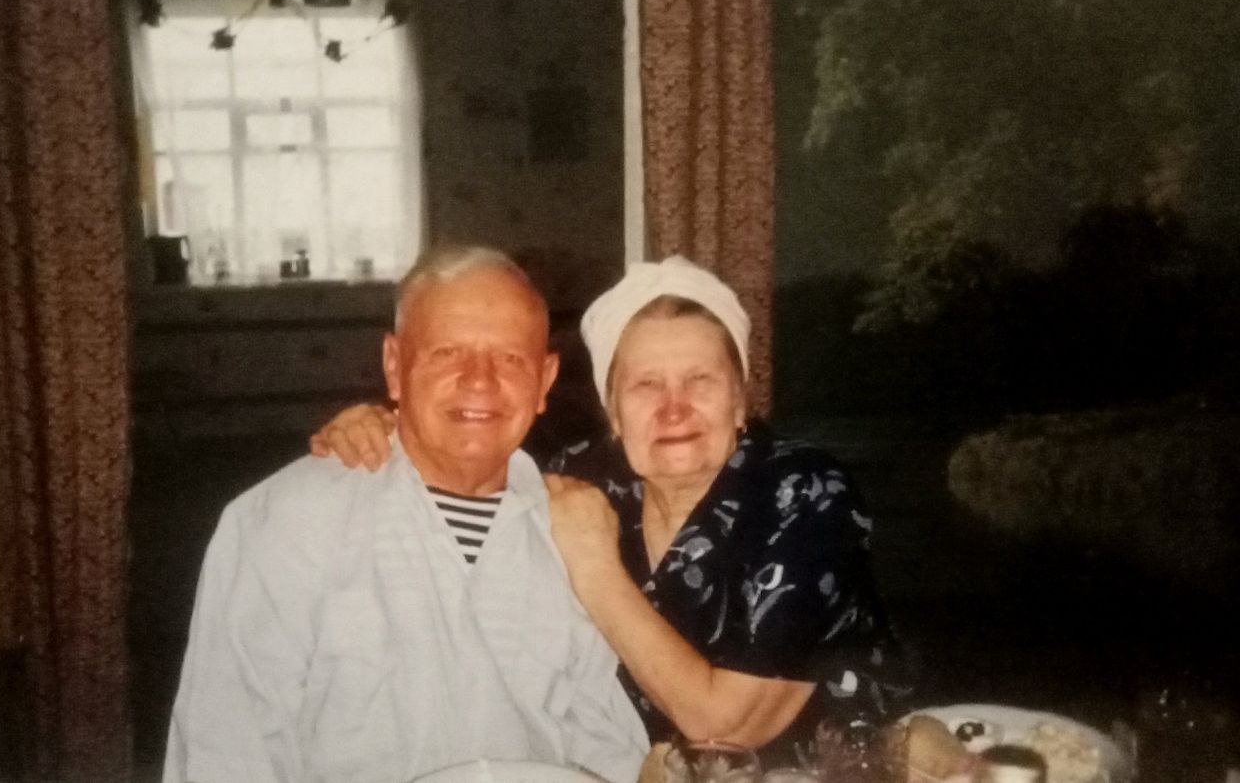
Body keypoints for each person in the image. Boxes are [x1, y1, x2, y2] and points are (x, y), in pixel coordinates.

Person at [312, 255, 908, 764]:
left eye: (700, 380)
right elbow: (466, 466)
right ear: (614, 414)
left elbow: (727, 728)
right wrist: (384, 427)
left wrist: (595, 569)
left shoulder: (805, 492)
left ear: (738, 400)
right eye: (646, 385)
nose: (674, 409)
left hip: (830, 771)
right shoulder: (585, 478)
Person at [164, 246, 649, 783]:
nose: (480, 380)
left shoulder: (574, 534)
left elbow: (603, 742)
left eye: (510, 358)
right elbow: (227, 754)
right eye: (448, 353)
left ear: (545, 381)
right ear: (394, 367)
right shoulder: (288, 520)